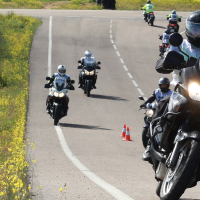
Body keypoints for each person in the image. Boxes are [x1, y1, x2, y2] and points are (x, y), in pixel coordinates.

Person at [143, 10, 200, 162]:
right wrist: (166, 63)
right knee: (162, 105)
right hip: (181, 87)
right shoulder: (181, 45)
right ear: (188, 29)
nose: (199, 34)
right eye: (196, 30)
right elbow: (162, 61)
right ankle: (150, 144)